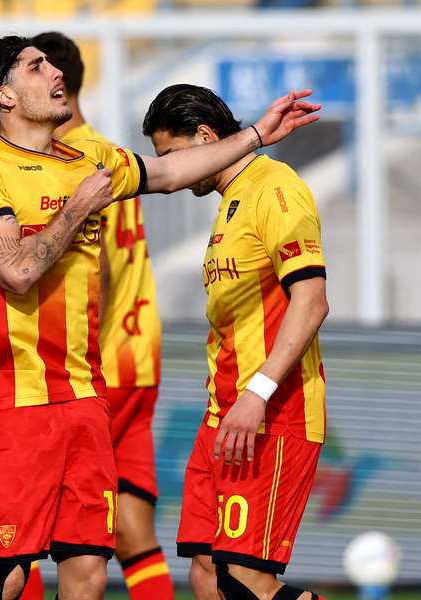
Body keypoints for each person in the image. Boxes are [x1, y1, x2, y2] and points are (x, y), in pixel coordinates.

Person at [0, 35, 319, 600]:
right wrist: (77, 208)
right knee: (7, 577)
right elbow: (16, 272)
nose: (54, 72)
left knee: (91, 568)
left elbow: (168, 175)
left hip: (87, 399)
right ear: (3, 95)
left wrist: (258, 134)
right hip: (14, 399)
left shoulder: (88, 159)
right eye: (35, 66)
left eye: (50, 62)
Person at [141, 84, 329, 600]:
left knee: (246, 582)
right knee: (205, 570)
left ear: (205, 136)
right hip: (222, 416)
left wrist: (258, 393)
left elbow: (311, 301)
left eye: (172, 156)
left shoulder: (274, 187)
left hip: (271, 412)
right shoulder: (229, 204)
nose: (172, 176)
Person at [19, 31, 172, 600]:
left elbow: (96, 266)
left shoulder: (66, 162)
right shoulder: (110, 152)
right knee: (132, 528)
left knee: (27, 521)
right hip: (140, 356)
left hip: (93, 367)